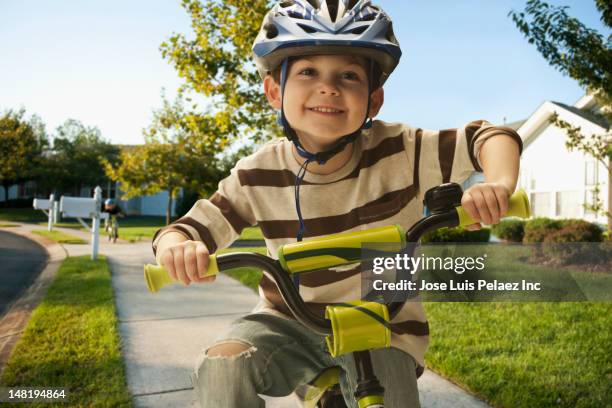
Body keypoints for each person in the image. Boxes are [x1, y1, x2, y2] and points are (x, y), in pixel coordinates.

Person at [151, 1, 522, 407]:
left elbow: (489, 135)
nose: (328, 87)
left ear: (374, 101)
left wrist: (498, 184)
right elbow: (185, 229)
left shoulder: (403, 151)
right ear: (274, 91)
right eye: (309, 71)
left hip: (382, 322)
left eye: (348, 75)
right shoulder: (256, 173)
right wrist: (178, 247)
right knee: (224, 366)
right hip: (289, 320)